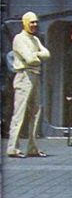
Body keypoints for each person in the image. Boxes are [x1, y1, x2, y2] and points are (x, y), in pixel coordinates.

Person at [7, 12, 50, 158]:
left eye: (36, 22)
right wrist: (38, 55)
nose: (34, 25)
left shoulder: (35, 39)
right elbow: (30, 59)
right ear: (25, 23)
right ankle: (13, 147)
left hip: (36, 76)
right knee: (19, 112)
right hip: (24, 76)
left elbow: (47, 54)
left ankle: (32, 147)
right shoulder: (19, 39)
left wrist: (35, 55)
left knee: (36, 112)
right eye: (31, 22)